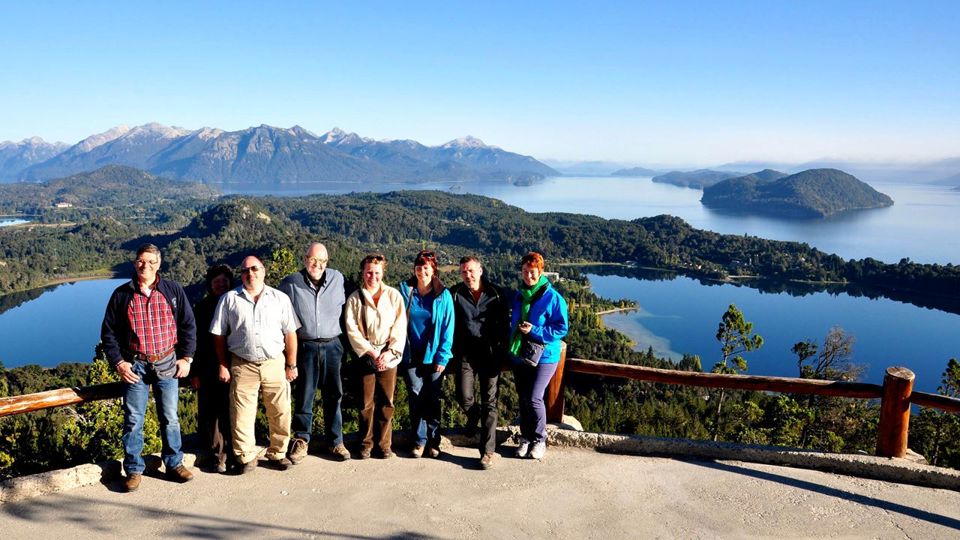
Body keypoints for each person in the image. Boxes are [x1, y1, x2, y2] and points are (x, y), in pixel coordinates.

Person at [100, 243, 197, 492]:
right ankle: (133, 469)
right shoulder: (122, 295)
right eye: (142, 261)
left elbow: (188, 324)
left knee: (171, 418)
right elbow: (108, 333)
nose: (146, 266)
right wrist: (119, 363)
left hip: (167, 362)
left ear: (159, 264)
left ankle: (174, 463)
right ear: (135, 263)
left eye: (151, 261)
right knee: (133, 420)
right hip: (136, 365)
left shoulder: (172, 290)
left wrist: (186, 358)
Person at [210, 255, 300, 473]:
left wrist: (291, 363)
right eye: (245, 270)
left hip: (274, 362)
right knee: (241, 414)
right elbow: (219, 335)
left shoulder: (280, 298)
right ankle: (246, 457)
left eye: (254, 268)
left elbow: (290, 333)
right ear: (241, 275)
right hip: (242, 364)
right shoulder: (229, 299)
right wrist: (223, 364)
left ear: (263, 271)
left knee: (280, 410)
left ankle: (278, 453)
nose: (250, 273)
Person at [279, 242, 351, 463]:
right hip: (305, 346)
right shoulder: (290, 283)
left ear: (327, 263)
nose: (317, 265)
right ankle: (301, 440)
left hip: (333, 345)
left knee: (334, 395)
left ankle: (336, 441)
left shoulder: (339, 279)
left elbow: (353, 305)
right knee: (305, 395)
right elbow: (279, 315)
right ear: (304, 260)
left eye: (321, 261)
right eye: (312, 260)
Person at [344, 254, 406, 459]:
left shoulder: (393, 295)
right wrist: (371, 352)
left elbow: (400, 326)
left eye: (377, 272)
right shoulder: (355, 298)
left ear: (383, 273)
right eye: (369, 272)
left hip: (389, 355)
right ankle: (365, 443)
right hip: (365, 355)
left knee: (387, 402)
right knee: (365, 402)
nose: (373, 276)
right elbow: (351, 329)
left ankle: (384, 444)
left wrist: (389, 352)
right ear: (363, 272)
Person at [450, 255, 509, 469]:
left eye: (471, 271)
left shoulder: (496, 294)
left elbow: (505, 324)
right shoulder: (455, 293)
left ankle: (487, 452)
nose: (468, 275)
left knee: (489, 402)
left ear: (480, 270)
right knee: (464, 396)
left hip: (490, 354)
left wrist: (501, 351)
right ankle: (474, 415)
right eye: (464, 271)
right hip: (465, 354)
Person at [510, 252, 568, 460]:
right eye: (525, 272)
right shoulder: (519, 295)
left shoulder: (552, 297)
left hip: (545, 356)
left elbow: (561, 328)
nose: (528, 276)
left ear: (540, 272)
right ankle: (525, 438)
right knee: (524, 398)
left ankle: (539, 439)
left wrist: (534, 330)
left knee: (535, 397)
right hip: (521, 353)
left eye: (532, 272)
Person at [398, 250, 454, 458]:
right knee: (415, 396)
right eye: (419, 267)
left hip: (434, 355)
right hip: (411, 354)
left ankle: (434, 440)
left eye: (426, 267)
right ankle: (419, 440)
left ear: (433, 270)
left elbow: (448, 327)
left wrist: (443, 356)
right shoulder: (406, 291)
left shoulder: (443, 295)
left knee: (432, 398)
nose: (422, 271)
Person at [191, 264, 234, 473]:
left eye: (224, 281)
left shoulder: (236, 303)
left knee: (232, 410)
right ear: (210, 285)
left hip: (235, 366)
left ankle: (235, 452)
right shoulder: (202, 308)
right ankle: (218, 456)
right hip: (208, 367)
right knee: (211, 414)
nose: (221, 285)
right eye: (216, 281)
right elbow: (194, 342)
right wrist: (195, 372)